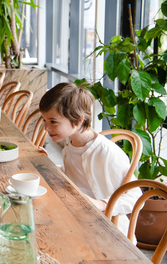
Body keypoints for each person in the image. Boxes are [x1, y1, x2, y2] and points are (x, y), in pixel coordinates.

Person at [39, 82, 141, 238]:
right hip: (77, 220)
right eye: (44, 120)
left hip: (109, 232)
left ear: (78, 120)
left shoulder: (108, 154)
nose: (46, 128)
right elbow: (77, 175)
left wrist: (101, 204)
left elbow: (136, 198)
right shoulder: (71, 143)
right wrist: (50, 165)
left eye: (53, 121)